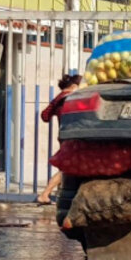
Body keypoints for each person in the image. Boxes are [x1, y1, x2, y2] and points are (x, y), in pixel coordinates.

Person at [36, 73, 82, 205]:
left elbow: (45, 116)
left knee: (70, 166)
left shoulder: (57, 99)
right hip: (75, 136)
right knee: (67, 167)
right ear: (74, 86)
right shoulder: (75, 97)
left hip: (63, 136)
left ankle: (64, 194)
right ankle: (45, 194)